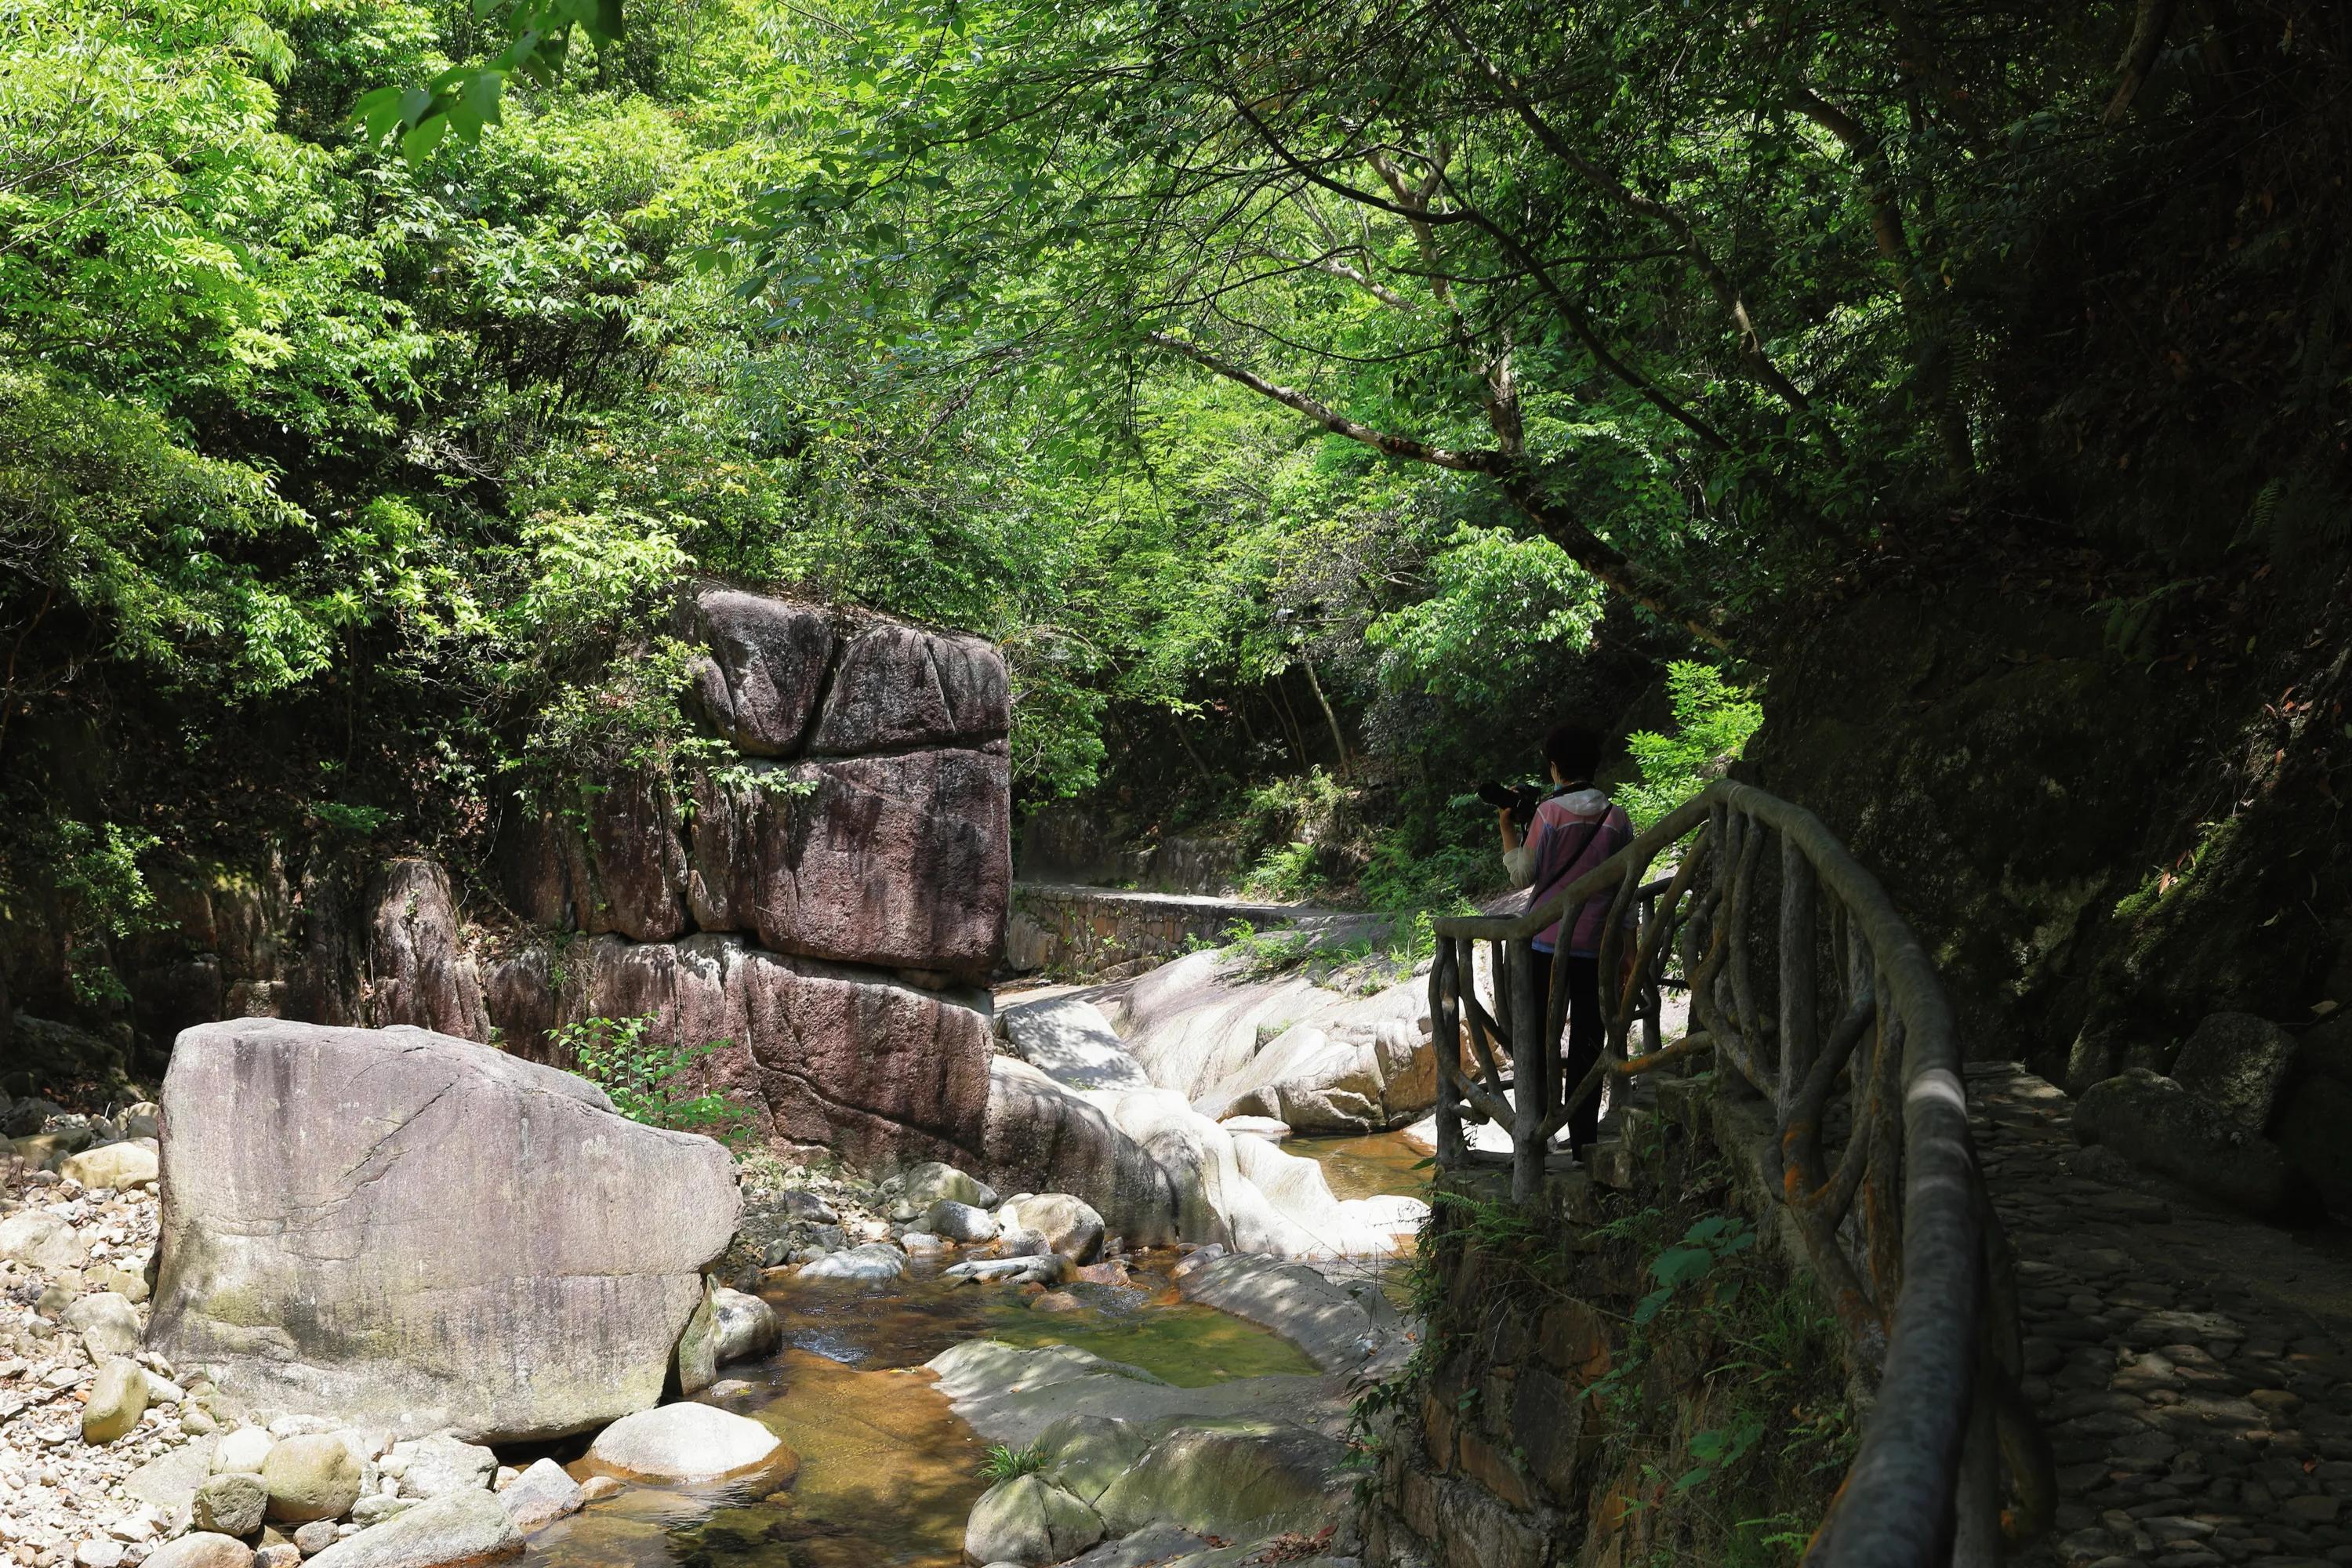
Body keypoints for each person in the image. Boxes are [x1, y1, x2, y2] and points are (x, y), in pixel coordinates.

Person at [1497, 724, 1633, 1155]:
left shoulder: (1548, 815)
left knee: (1537, 1037)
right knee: (1588, 1042)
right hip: (1596, 945)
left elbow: (1523, 874)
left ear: (1554, 768)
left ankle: (1535, 1135)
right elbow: (1627, 892)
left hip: (1544, 944)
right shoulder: (1617, 818)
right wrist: (1629, 950)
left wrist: (1506, 828)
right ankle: (1584, 1143)